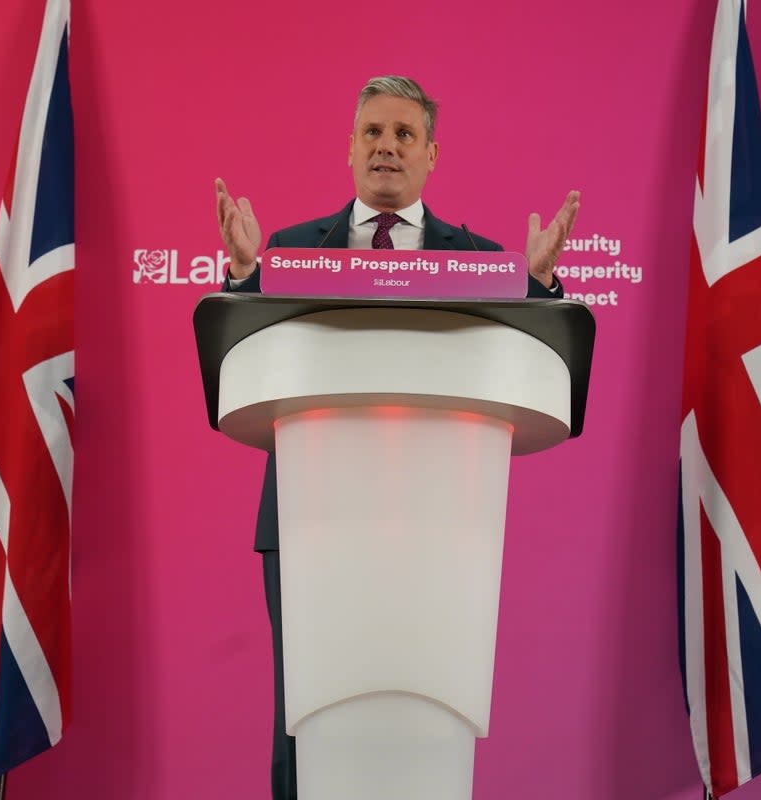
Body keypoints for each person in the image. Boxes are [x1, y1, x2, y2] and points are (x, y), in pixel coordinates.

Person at [214, 75, 579, 800]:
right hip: (309, 522)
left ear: (431, 154)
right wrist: (248, 275)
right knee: (305, 715)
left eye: (404, 135)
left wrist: (536, 287)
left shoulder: (481, 261)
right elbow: (252, 353)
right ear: (349, 148)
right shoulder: (287, 251)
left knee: (426, 711)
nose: (387, 148)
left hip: (443, 529)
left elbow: (517, 355)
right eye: (373, 133)